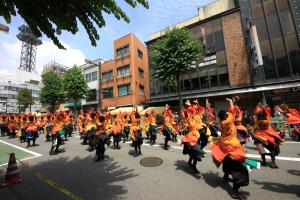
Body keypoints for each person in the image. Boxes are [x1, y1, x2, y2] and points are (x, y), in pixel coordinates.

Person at [210, 97, 253, 199]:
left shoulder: (225, 121)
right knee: (239, 170)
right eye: (226, 114)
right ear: (224, 117)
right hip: (231, 148)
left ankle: (225, 177)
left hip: (227, 146)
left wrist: (233, 102)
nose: (228, 114)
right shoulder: (226, 123)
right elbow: (232, 113)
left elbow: (231, 113)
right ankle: (234, 191)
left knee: (228, 163)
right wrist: (231, 102)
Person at [253, 104, 283, 168]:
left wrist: (260, 109)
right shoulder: (267, 120)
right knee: (272, 149)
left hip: (259, 135)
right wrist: (264, 109)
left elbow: (256, 115)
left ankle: (264, 161)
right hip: (269, 135)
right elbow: (268, 113)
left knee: (262, 150)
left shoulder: (257, 121)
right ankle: (273, 163)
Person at [181, 106, 205, 174]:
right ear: (190, 113)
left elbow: (198, 125)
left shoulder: (194, 119)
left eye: (195, 112)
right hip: (191, 138)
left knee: (193, 152)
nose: (195, 113)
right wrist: (188, 110)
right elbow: (187, 122)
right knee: (195, 153)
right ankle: (194, 167)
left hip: (196, 137)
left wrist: (201, 125)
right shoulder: (189, 119)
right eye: (193, 112)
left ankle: (189, 162)